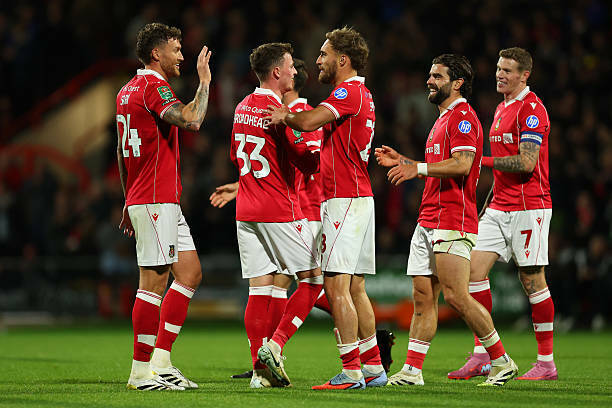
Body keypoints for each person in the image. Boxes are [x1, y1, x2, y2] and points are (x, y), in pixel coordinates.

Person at [211, 59, 396, 381]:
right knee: (294, 286)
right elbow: (279, 164)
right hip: (286, 208)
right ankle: (271, 360)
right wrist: (244, 184)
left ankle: (280, 353)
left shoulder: (302, 114)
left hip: (306, 212)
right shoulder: (286, 113)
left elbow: (307, 165)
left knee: (314, 285)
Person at [375, 54, 518, 387]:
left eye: (437, 76)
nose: (429, 81)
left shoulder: (463, 117)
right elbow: (439, 167)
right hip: (428, 218)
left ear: (457, 83)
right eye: (430, 75)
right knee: (423, 298)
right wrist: (405, 161)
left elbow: (463, 164)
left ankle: (502, 361)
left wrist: (417, 168)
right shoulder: (442, 119)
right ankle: (412, 371)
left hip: (453, 218)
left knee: (456, 296)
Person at [265, 27, 386, 390]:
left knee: (335, 287)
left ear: (342, 60)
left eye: (324, 54)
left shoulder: (348, 91)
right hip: (358, 198)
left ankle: (351, 372)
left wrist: (285, 116)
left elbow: (307, 122)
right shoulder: (363, 93)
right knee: (356, 288)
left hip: (344, 200)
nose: (318, 61)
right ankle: (373, 367)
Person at [447, 47, 556, 381]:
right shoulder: (501, 108)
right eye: (498, 69)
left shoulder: (532, 109)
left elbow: (527, 162)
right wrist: (485, 205)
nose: (499, 75)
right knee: (472, 272)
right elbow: (503, 170)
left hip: (529, 205)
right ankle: (483, 355)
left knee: (532, 280)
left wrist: (481, 162)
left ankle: (546, 363)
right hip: (499, 206)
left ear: (524, 75)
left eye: (507, 70)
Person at [116, 22, 212, 391]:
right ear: (156, 54)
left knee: (189, 273)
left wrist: (128, 198)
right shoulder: (154, 86)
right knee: (153, 283)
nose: (182, 56)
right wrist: (204, 82)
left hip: (154, 197)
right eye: (176, 49)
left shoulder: (126, 90)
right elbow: (192, 119)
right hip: (155, 198)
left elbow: (121, 151)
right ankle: (140, 372)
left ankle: (161, 361)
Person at [229, 42, 324, 389]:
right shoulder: (278, 113)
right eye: (290, 66)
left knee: (259, 289)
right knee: (313, 280)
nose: (295, 71)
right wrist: (320, 148)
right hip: (278, 208)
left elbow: (235, 155)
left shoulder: (241, 107)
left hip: (246, 210)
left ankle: (260, 373)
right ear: (276, 73)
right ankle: (275, 346)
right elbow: (307, 162)